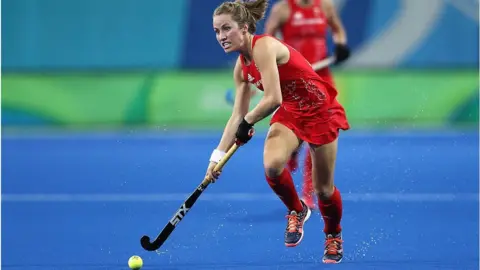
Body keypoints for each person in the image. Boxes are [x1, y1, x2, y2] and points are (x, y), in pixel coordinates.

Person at [207, 0, 349, 264]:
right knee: (272, 166)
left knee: (324, 190)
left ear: (245, 27)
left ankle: (333, 235)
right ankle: (297, 209)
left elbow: (272, 98)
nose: (221, 37)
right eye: (217, 31)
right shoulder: (241, 68)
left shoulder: (265, 47)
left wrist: (247, 123)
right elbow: (237, 115)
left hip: (320, 111)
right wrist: (216, 157)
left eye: (226, 29)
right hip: (292, 111)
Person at [264, 0, 350, 209]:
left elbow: (338, 30)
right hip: (294, 79)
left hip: (320, 78)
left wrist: (340, 45)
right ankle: (293, 149)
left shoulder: (325, 7)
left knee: (318, 134)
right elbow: (267, 41)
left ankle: (308, 191)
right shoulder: (282, 9)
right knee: (296, 127)